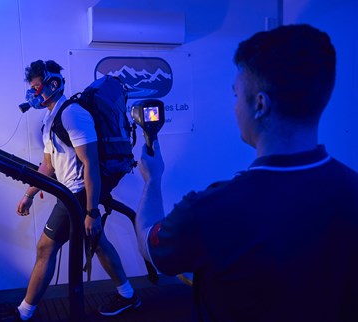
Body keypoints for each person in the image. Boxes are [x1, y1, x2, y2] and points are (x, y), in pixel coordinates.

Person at [136, 24, 358, 322]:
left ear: (260, 105)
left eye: (236, 95)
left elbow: (152, 247)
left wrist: (153, 181)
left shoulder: (209, 210)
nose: (235, 107)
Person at [0, 60, 140, 322]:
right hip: (70, 192)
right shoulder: (51, 118)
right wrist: (29, 194)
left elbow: (90, 163)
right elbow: (48, 164)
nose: (32, 94)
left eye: (36, 87)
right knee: (97, 242)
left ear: (53, 84)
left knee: (46, 247)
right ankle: (127, 295)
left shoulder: (72, 114)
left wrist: (91, 211)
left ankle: (24, 313)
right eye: (31, 88)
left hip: (78, 194)